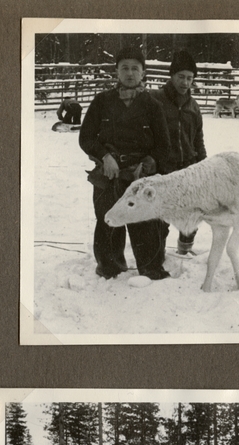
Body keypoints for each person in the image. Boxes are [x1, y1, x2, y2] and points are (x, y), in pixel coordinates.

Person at [79, 45, 173, 281]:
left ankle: (150, 269)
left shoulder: (153, 106)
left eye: (135, 68)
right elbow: (86, 138)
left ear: (143, 73)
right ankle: (109, 268)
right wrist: (104, 156)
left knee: (145, 222)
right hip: (108, 174)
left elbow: (164, 145)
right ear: (116, 72)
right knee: (108, 219)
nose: (130, 73)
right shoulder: (102, 102)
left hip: (140, 176)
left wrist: (150, 163)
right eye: (124, 68)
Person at [155, 50, 207, 257]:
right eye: (181, 77)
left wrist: (203, 165)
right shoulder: (156, 100)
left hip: (189, 167)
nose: (185, 83)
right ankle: (156, 254)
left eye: (190, 78)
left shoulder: (193, 106)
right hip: (163, 168)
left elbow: (198, 139)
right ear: (172, 75)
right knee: (161, 215)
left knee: (192, 213)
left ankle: (184, 251)